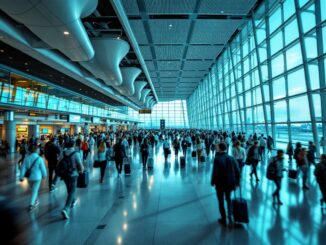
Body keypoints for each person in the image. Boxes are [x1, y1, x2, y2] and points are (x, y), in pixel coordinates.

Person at [211, 142, 240, 227]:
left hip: (220, 184)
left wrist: (213, 182)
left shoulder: (217, 159)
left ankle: (223, 218)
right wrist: (237, 182)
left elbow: (215, 172)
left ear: (220, 149)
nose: (216, 148)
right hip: (230, 183)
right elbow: (237, 171)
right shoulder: (231, 158)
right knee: (228, 199)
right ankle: (230, 216)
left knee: (220, 201)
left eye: (217, 147)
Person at [60, 140, 84, 219]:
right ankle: (66, 208)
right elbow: (80, 165)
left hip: (64, 174)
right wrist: (82, 170)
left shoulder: (63, 153)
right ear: (73, 145)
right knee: (72, 191)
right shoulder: (76, 154)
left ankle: (73, 200)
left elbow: (59, 163)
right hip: (73, 174)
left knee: (69, 189)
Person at [19, 145, 47, 211]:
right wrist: (44, 175)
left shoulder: (27, 158)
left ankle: (36, 200)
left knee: (33, 190)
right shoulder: (39, 159)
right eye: (38, 149)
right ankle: (31, 204)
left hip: (30, 177)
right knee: (35, 190)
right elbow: (43, 169)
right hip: (37, 177)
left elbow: (23, 168)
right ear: (36, 150)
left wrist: (21, 176)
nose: (39, 150)